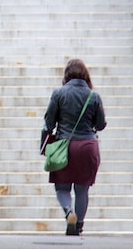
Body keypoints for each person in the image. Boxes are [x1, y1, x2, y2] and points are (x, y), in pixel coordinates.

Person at [41, 58, 107, 236]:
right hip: (88, 146)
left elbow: (49, 123)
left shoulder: (58, 94)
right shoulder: (94, 96)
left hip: (65, 146)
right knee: (82, 188)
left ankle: (69, 212)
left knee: (62, 187)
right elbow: (101, 124)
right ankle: (79, 224)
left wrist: (44, 145)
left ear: (66, 75)